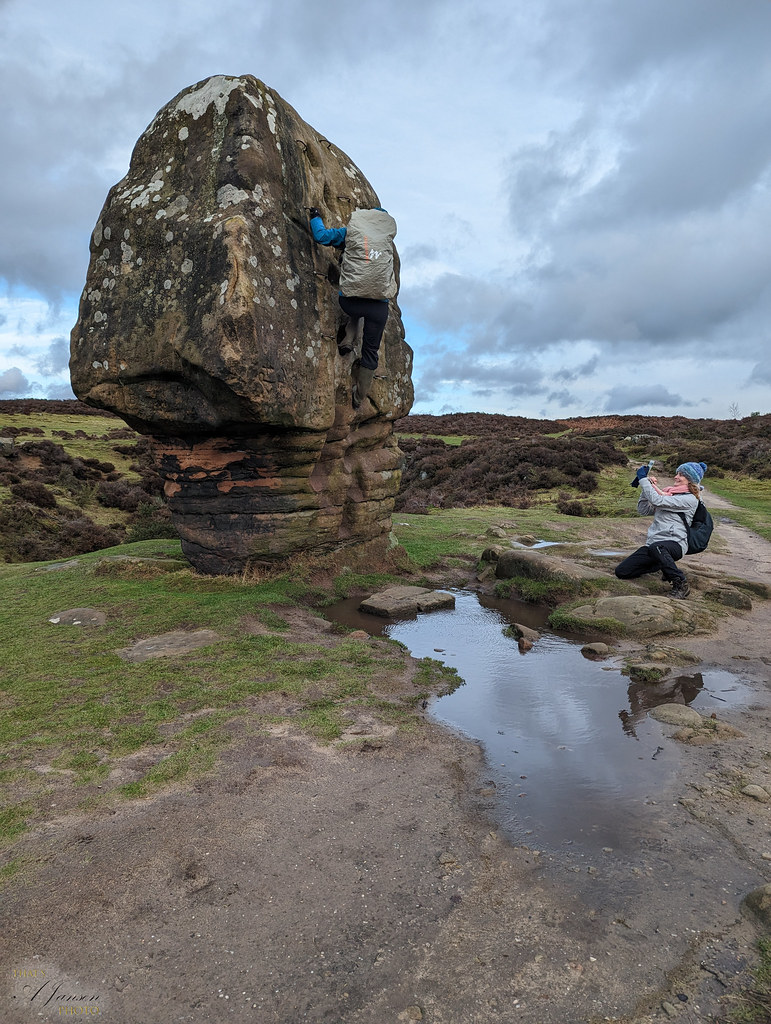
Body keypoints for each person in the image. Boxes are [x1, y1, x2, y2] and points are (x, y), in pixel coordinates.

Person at [308, 205, 397, 408]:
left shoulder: (350, 233)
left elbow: (321, 237)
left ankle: (349, 337)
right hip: (378, 309)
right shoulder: (386, 241)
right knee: (370, 352)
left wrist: (315, 216)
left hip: (350, 303)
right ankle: (358, 399)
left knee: (357, 298)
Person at [614, 461, 707, 599]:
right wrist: (648, 488)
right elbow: (643, 510)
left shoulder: (690, 499)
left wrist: (644, 480)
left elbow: (657, 501)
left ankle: (680, 583)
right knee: (622, 571)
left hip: (675, 543)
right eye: (677, 473)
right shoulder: (669, 494)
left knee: (657, 548)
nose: (676, 477)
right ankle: (663, 564)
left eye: (681, 475)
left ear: (690, 480)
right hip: (655, 545)